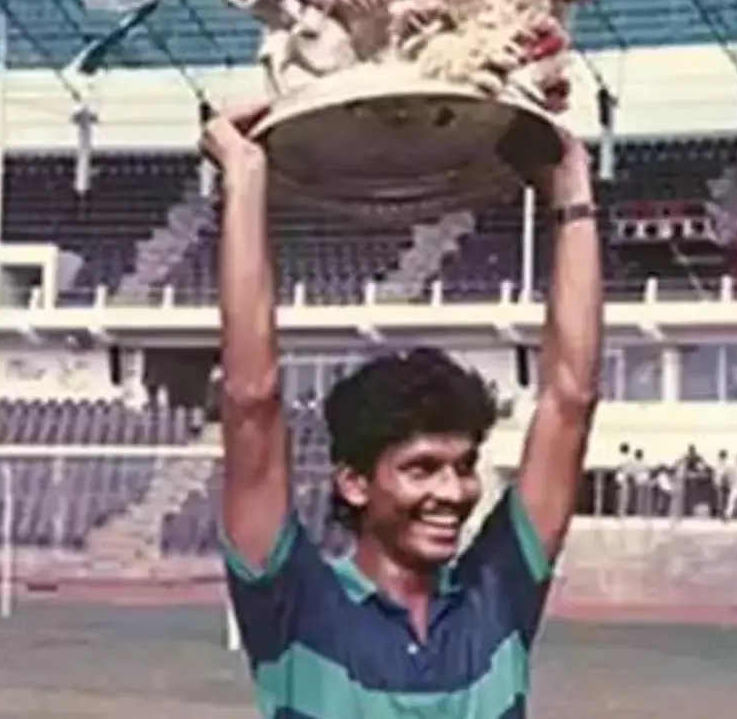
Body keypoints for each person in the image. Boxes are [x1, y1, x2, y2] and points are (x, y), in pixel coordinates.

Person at [202, 100, 603, 718]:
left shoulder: (499, 592)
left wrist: (571, 189)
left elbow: (570, 400)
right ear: (355, 483)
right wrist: (246, 176)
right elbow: (251, 399)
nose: (454, 490)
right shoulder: (293, 600)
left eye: (463, 465)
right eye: (421, 468)